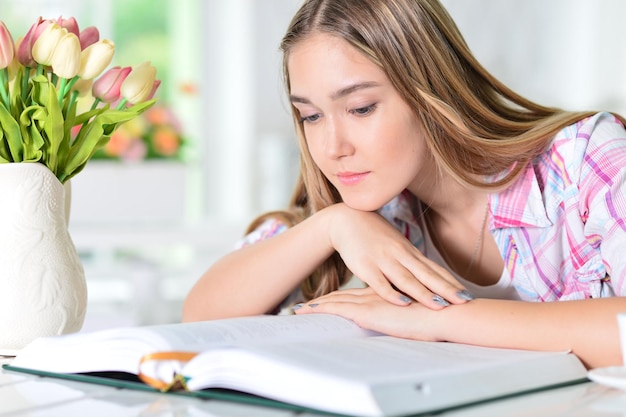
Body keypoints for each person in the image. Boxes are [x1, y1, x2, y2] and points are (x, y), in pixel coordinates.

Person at [183, 0, 626, 369]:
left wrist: (438, 319)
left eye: (360, 108)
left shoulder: (585, 156)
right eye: (311, 116)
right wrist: (331, 226)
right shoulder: (370, 208)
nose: (332, 146)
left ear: (430, 91)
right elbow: (201, 316)